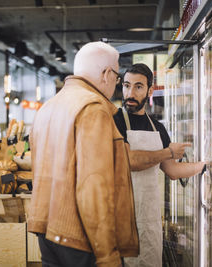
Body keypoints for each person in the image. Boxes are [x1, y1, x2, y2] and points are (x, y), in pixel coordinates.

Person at [28, 41, 139, 267]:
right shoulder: (93, 109)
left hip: (47, 233)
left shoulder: (48, 107)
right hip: (80, 238)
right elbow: (93, 186)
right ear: (107, 73)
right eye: (117, 77)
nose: (116, 84)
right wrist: (108, 255)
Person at [113, 63, 205, 267]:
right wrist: (169, 151)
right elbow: (130, 161)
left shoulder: (158, 127)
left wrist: (204, 166)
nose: (130, 92)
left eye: (138, 87)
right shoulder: (115, 121)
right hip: (120, 217)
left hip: (149, 217)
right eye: (127, 85)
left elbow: (172, 170)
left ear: (149, 90)